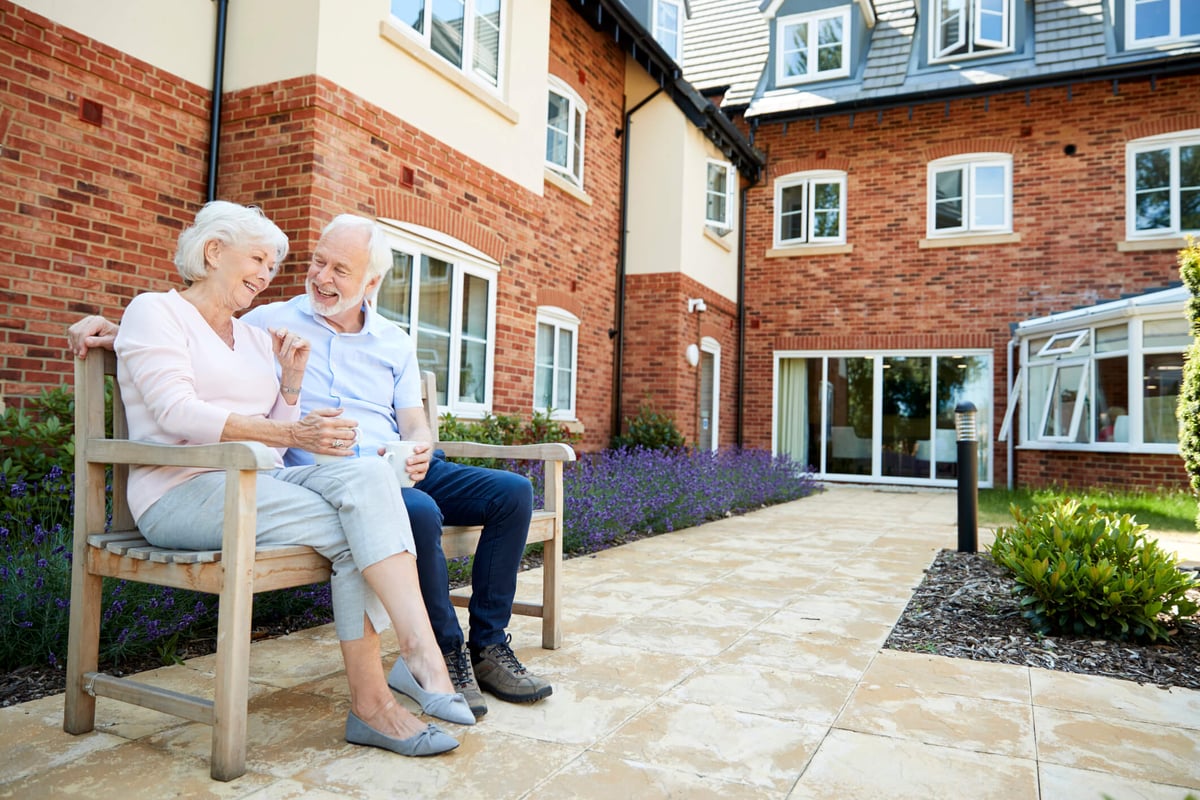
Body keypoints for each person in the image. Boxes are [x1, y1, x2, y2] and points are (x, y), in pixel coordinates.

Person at [68, 214, 552, 719]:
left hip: (387, 464)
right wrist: (120, 331)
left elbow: (411, 419)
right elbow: (190, 336)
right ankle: (439, 655)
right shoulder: (268, 319)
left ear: (370, 283)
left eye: (340, 270)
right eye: (317, 262)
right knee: (413, 512)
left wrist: (420, 445)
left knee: (512, 492)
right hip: (304, 474)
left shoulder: (386, 339)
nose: (321, 277)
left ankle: (487, 647)